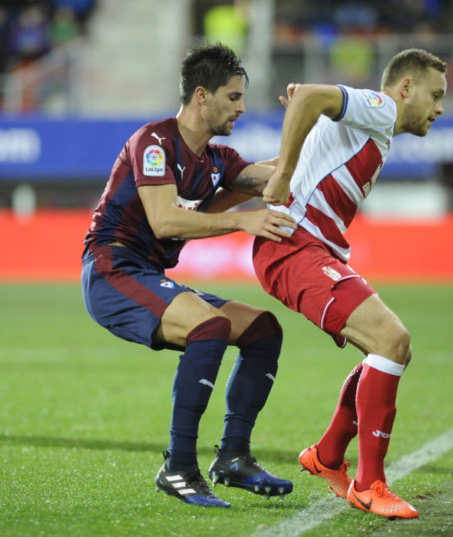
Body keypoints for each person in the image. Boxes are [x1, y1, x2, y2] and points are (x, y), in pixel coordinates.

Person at [81, 43, 298, 508]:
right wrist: (244, 219)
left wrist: (312, 130)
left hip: (147, 273)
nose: (241, 107)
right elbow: (164, 222)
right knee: (209, 326)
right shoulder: (154, 143)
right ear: (202, 95)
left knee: (262, 329)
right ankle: (178, 467)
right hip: (111, 269)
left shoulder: (218, 160)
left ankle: (233, 458)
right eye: (234, 97)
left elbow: (277, 175)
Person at [257, 48, 447, 519]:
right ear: (406, 88)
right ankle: (369, 485)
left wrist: (291, 156)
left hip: (311, 250)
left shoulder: (372, 128)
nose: (440, 108)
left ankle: (326, 456)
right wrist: (282, 172)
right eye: (436, 94)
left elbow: (310, 115)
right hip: (292, 248)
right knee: (391, 339)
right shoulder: (379, 108)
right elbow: (306, 96)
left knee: (390, 351)